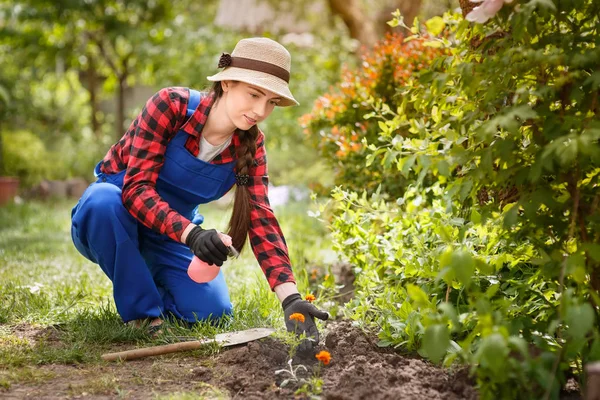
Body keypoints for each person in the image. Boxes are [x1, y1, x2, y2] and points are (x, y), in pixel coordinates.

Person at [70, 37, 328, 351]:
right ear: (228, 83)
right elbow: (136, 191)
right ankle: (143, 312)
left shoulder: (249, 146)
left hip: (170, 234)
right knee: (102, 203)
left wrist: (291, 299)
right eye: (255, 94)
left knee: (212, 312)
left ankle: (146, 273)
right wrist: (193, 235)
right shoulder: (172, 106)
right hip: (113, 215)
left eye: (272, 102)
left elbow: (260, 218)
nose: (261, 110)